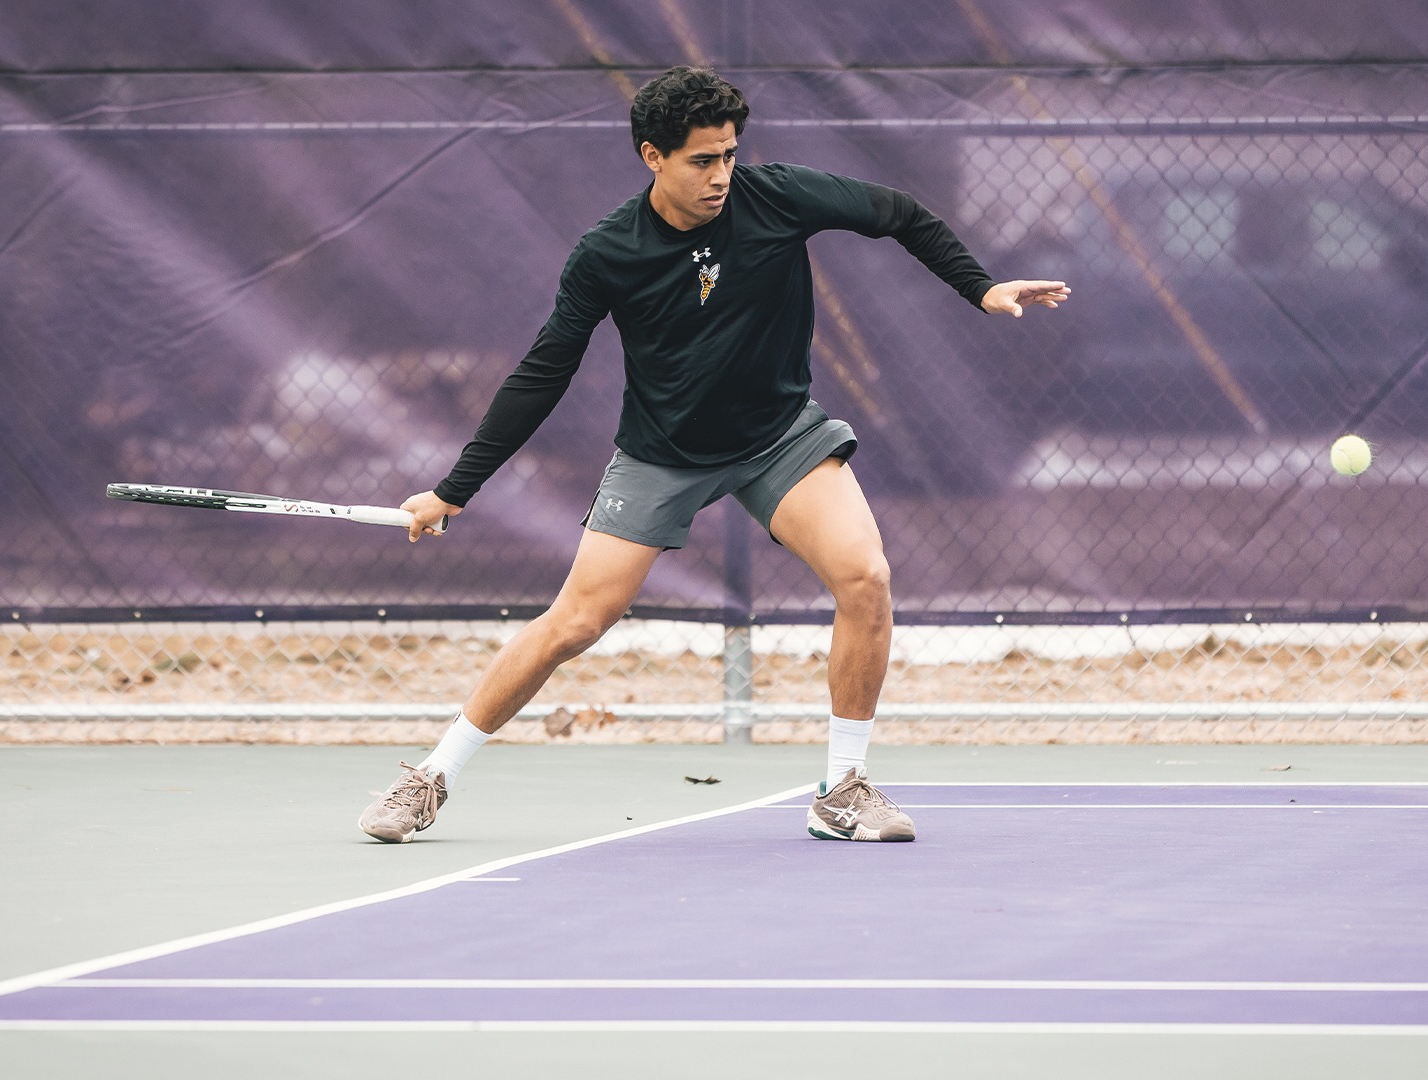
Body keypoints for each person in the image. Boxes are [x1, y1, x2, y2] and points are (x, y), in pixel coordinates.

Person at [359, 66, 1068, 845]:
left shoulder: (778, 195)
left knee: (866, 577)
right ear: (651, 156)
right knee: (575, 622)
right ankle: (431, 776)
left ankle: (843, 788)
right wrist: (453, 490)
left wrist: (981, 286)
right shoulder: (607, 252)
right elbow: (544, 371)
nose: (721, 174)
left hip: (778, 437)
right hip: (663, 453)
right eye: (702, 159)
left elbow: (897, 213)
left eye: (730, 154)